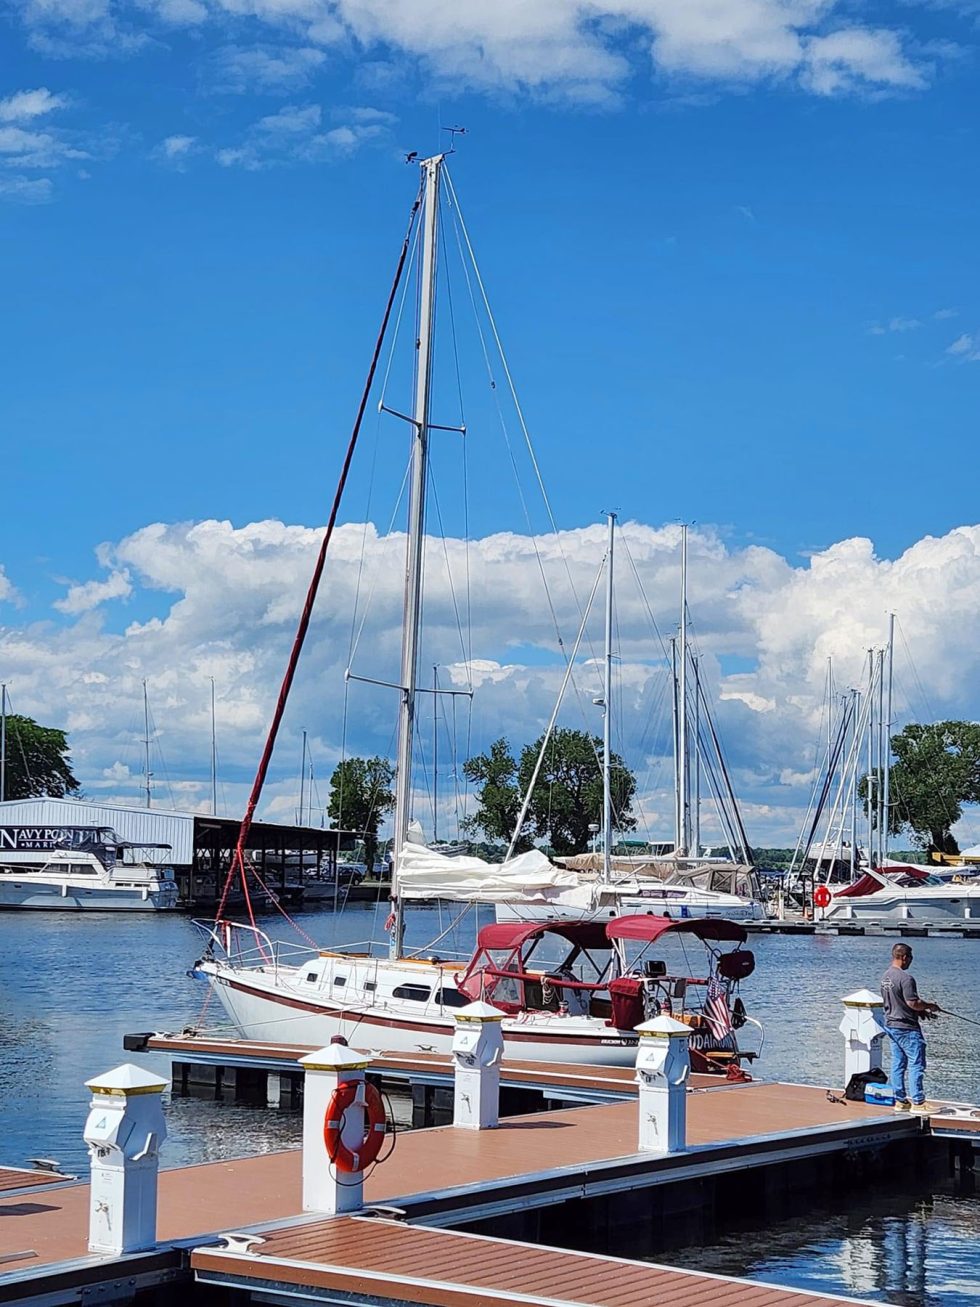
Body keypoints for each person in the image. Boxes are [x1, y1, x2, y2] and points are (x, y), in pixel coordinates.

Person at [880, 943, 940, 1114]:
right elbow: (913, 1003)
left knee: (898, 1063)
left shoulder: (885, 977)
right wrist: (930, 1006)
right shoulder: (906, 978)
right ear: (905, 957)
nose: (911, 962)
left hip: (891, 1025)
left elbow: (897, 1002)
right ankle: (919, 1102)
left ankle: (900, 1101)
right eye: (911, 958)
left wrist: (921, 1013)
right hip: (907, 1028)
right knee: (916, 1064)